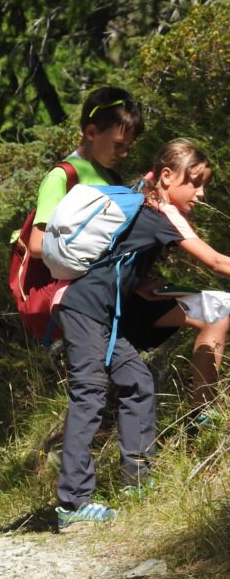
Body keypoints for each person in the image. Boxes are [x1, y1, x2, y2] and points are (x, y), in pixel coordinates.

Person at [53, 138, 230, 529]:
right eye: (195, 183)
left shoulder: (144, 205)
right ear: (167, 177)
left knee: (137, 381)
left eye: (204, 186)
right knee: (89, 395)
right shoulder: (157, 213)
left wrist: (140, 283)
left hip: (101, 313)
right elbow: (217, 262)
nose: (200, 194)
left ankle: (137, 484)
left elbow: (117, 259)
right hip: (84, 310)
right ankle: (73, 503)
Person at [28, 86, 227, 408]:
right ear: (91, 132)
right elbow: (39, 244)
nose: (124, 153)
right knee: (217, 309)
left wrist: (136, 282)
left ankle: (201, 412)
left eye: (128, 146)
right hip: (95, 304)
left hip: (109, 299)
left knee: (113, 392)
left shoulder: (120, 186)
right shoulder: (64, 177)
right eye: (119, 144)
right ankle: (202, 413)